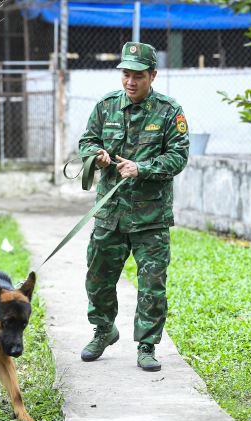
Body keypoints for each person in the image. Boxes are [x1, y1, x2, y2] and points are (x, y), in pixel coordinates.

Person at [78, 42, 189, 372]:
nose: (130, 81)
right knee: (98, 280)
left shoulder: (170, 112)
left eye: (138, 75)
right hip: (109, 214)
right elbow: (87, 141)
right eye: (126, 74)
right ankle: (103, 330)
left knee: (152, 285)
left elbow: (178, 156)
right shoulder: (106, 106)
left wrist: (143, 167)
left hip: (150, 217)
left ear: (152, 75)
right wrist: (94, 156)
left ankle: (146, 345)